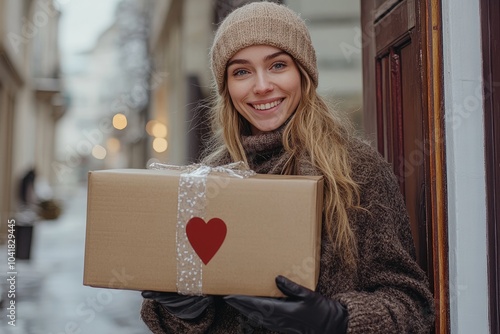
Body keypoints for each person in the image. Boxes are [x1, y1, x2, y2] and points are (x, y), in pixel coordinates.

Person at [140, 2, 436, 333]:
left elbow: (414, 306)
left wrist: (336, 319)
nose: (262, 85)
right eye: (241, 71)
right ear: (226, 87)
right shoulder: (207, 180)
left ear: (303, 73)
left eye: (278, 65)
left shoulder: (354, 170)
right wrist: (185, 311)